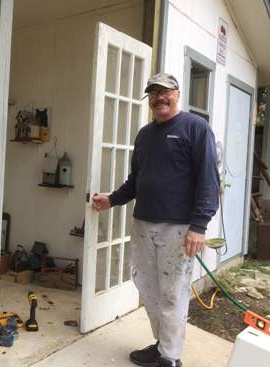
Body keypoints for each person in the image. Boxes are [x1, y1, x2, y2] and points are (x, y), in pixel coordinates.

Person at [92, 73, 220, 367]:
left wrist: (198, 226)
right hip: (144, 225)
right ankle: (163, 346)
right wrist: (111, 200)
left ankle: (171, 358)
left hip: (178, 229)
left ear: (177, 93)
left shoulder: (195, 128)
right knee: (148, 289)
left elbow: (208, 181)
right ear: (149, 100)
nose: (159, 98)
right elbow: (137, 180)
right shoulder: (145, 135)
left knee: (172, 294)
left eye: (165, 92)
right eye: (153, 94)